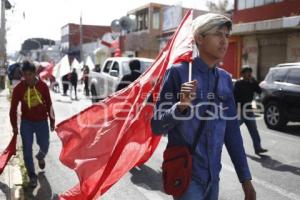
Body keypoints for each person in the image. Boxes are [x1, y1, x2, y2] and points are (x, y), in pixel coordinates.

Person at [151, 13, 256, 200]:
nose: (224, 41)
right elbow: (157, 125)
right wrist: (180, 106)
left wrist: (245, 180)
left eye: (226, 35)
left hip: (213, 179)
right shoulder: (178, 74)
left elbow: (232, 132)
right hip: (187, 176)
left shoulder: (224, 79)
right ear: (199, 38)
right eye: (218, 34)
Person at [9, 60, 55, 188]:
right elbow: (13, 109)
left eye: (30, 74)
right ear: (22, 75)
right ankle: (32, 176)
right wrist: (14, 126)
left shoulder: (43, 86)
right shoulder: (19, 89)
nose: (27, 77)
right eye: (25, 74)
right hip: (26, 122)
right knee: (27, 150)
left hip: (41, 121)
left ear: (35, 73)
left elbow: (49, 104)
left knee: (45, 145)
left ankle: (41, 156)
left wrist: (52, 120)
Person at [234, 66, 268, 155]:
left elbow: (259, 91)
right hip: (240, 111)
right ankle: (229, 144)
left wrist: (254, 82)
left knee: (254, 130)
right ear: (243, 73)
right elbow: (234, 97)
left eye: (250, 72)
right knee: (233, 130)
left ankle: (258, 148)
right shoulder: (238, 83)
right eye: (247, 72)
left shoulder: (251, 83)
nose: (249, 74)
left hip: (249, 111)